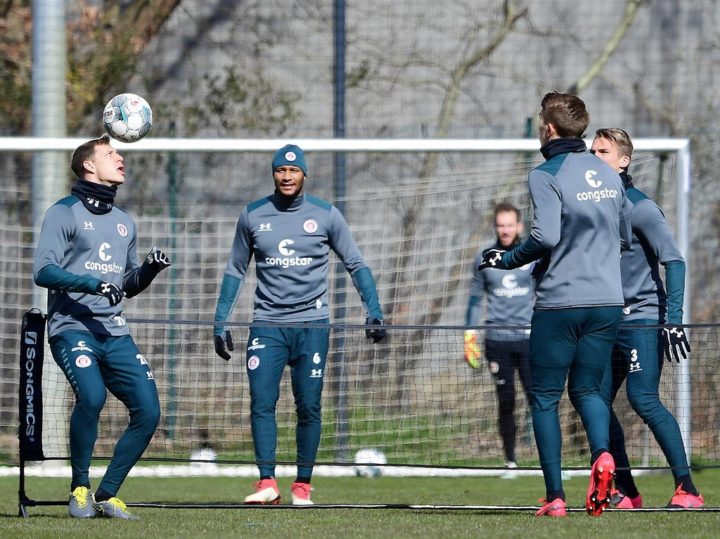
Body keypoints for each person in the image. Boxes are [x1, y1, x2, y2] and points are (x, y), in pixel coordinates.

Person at [477, 92, 632, 517]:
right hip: (607, 303)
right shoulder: (609, 175)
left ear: (547, 129)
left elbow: (544, 236)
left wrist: (507, 260)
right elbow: (625, 238)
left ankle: (556, 497)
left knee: (544, 398)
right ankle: (603, 457)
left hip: (561, 304)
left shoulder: (545, 173)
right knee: (588, 390)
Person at [213, 144, 386, 505]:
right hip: (267, 326)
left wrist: (373, 309)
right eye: (280, 171)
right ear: (273, 174)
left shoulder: (326, 215)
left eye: (293, 171)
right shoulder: (252, 216)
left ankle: (303, 485)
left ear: (304, 174)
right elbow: (235, 268)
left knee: (308, 406)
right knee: (262, 401)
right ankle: (266, 483)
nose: (287, 176)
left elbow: (356, 263)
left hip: (313, 327)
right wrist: (220, 319)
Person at [33, 134, 171, 520]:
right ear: (89, 165)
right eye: (111, 153)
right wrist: (92, 284)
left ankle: (107, 494)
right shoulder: (63, 212)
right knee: (91, 397)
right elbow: (43, 270)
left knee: (148, 411)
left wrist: (148, 270)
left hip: (114, 332)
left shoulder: (124, 222)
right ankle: (79, 488)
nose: (121, 158)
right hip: (71, 328)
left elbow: (125, 286)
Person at [591, 128, 703, 509]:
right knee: (595, 400)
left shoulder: (640, 206)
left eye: (603, 151)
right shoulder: (593, 208)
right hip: (609, 322)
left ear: (624, 160)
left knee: (642, 397)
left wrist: (673, 319)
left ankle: (688, 488)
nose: (594, 156)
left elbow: (674, 261)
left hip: (642, 318)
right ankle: (628, 493)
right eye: (591, 151)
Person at [464, 202, 533, 477]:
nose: (505, 230)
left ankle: (549, 461)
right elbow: (473, 300)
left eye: (510, 225)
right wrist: (469, 335)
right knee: (506, 400)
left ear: (519, 226)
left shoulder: (534, 255)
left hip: (529, 340)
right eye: (500, 225)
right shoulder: (483, 257)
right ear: (496, 227)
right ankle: (511, 461)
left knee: (538, 399)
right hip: (497, 341)